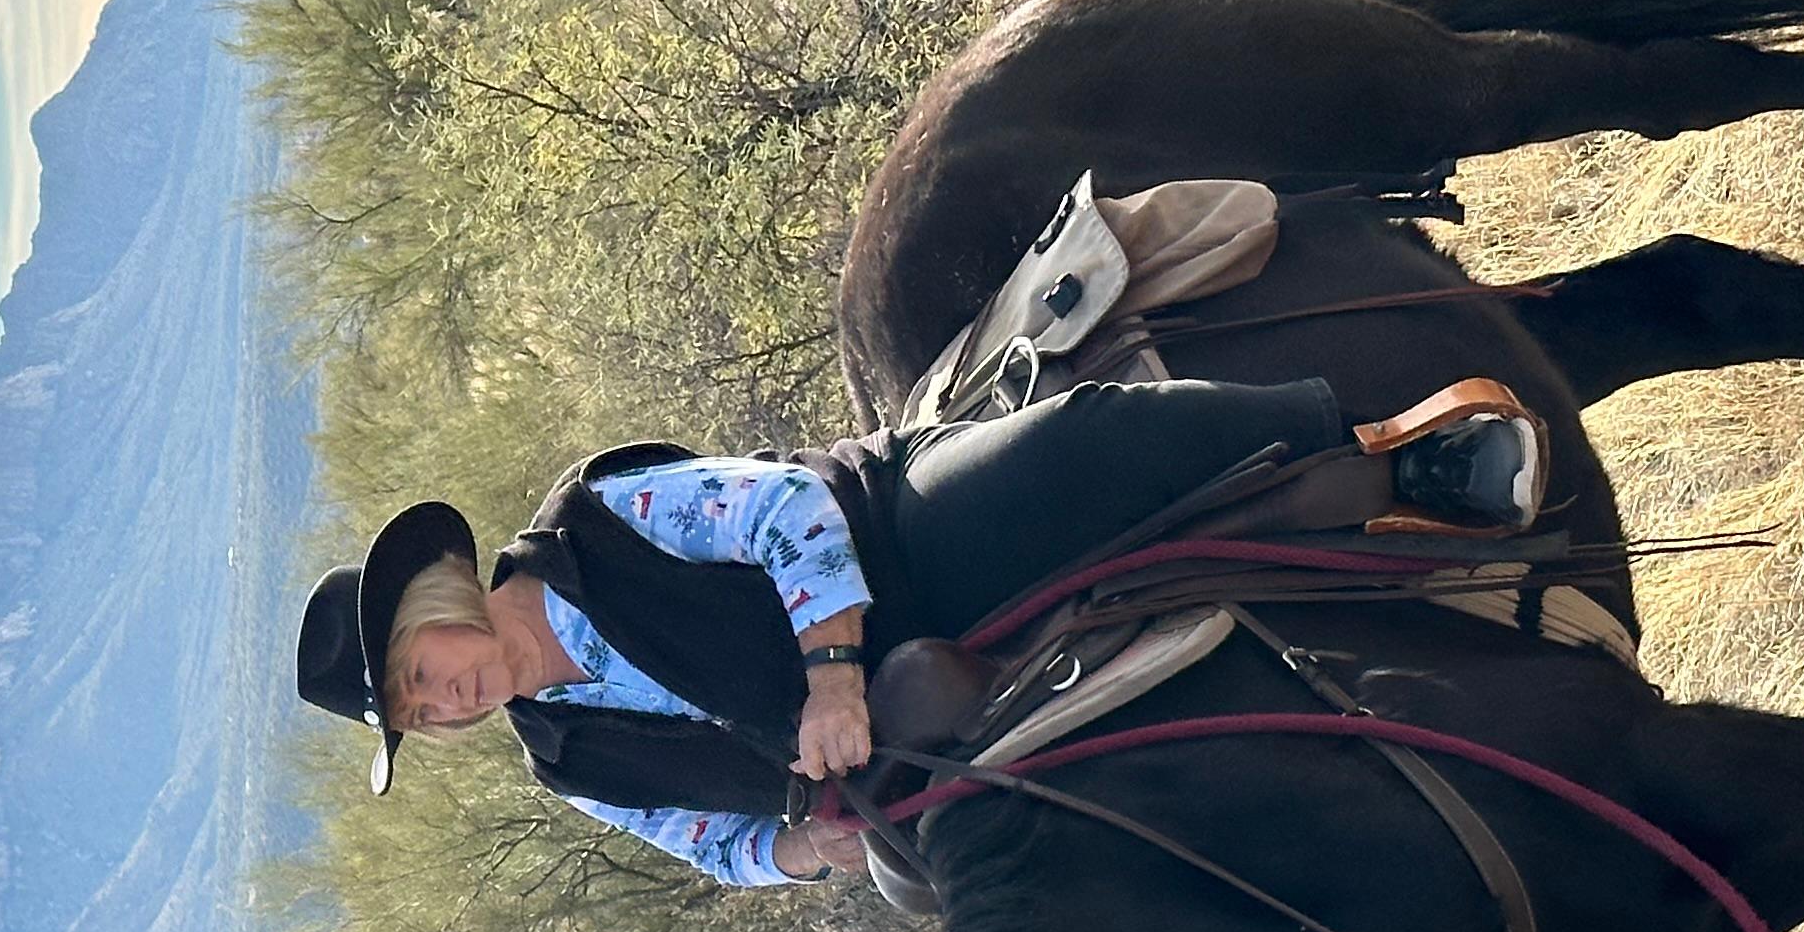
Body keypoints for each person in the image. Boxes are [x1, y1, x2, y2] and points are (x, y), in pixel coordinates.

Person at [289, 378, 1547, 884]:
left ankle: (1395, 458)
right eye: (418, 716)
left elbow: (783, 511)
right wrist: (803, 853)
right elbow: (707, 842)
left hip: (893, 556)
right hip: (894, 765)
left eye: (420, 676)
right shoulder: (567, 760)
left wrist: (831, 676)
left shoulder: (599, 524)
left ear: (437, 610)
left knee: (1085, 447)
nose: (444, 707)